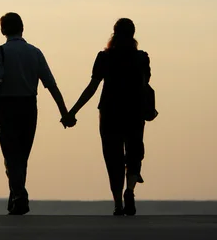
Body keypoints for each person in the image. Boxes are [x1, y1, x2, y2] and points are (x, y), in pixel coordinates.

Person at [63, 18, 151, 216]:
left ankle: (118, 203)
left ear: (114, 33)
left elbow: (92, 87)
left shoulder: (105, 57)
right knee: (135, 151)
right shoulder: (142, 58)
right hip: (134, 111)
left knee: (113, 158)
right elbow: (145, 85)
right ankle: (130, 190)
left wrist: (72, 112)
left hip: (110, 112)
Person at [0, 12, 74, 215]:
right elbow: (51, 85)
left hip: (7, 106)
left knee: (11, 154)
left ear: (3, 30)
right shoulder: (35, 53)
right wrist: (65, 112)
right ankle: (16, 196)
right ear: (22, 28)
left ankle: (19, 195)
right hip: (29, 106)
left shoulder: (0, 52)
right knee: (22, 155)